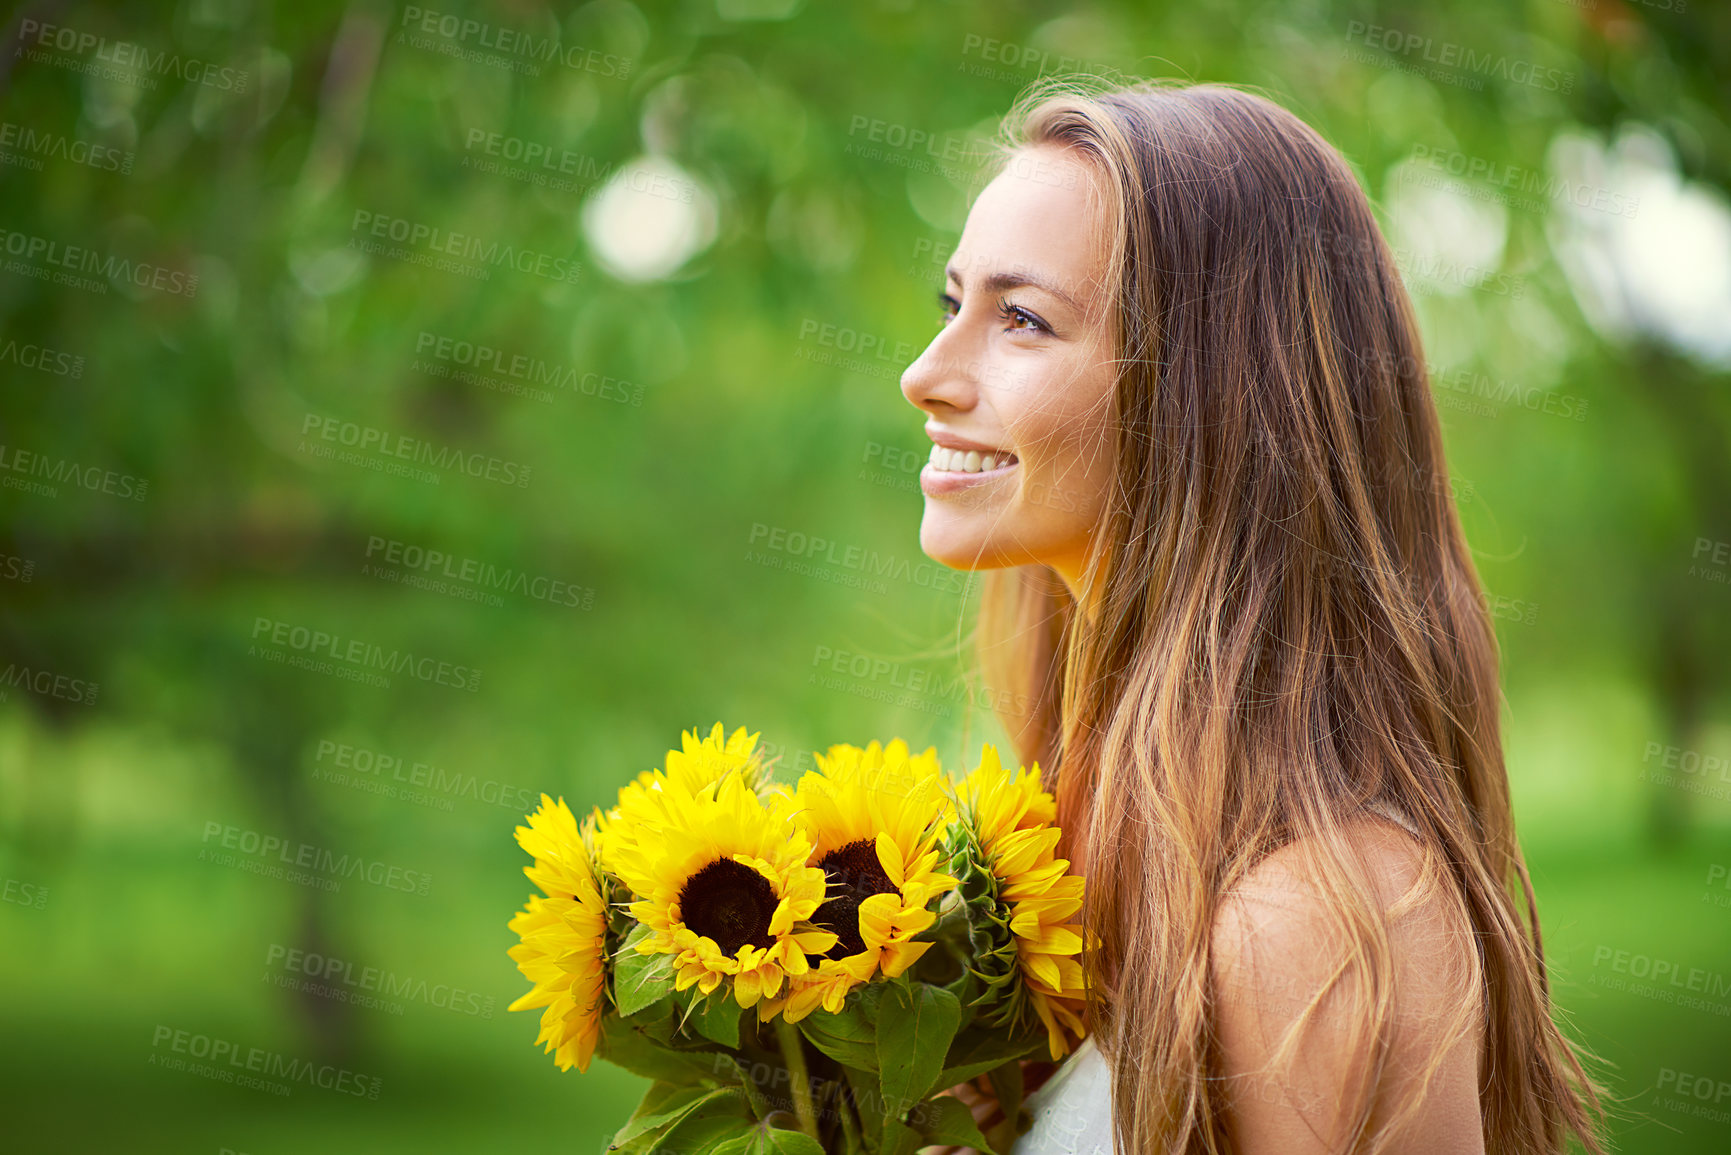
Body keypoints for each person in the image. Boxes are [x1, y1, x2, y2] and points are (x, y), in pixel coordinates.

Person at [901, 79, 1607, 1155]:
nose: (926, 375)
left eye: (1022, 321)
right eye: (953, 305)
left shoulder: (1322, 924)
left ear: (1207, 392)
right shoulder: (1080, 842)